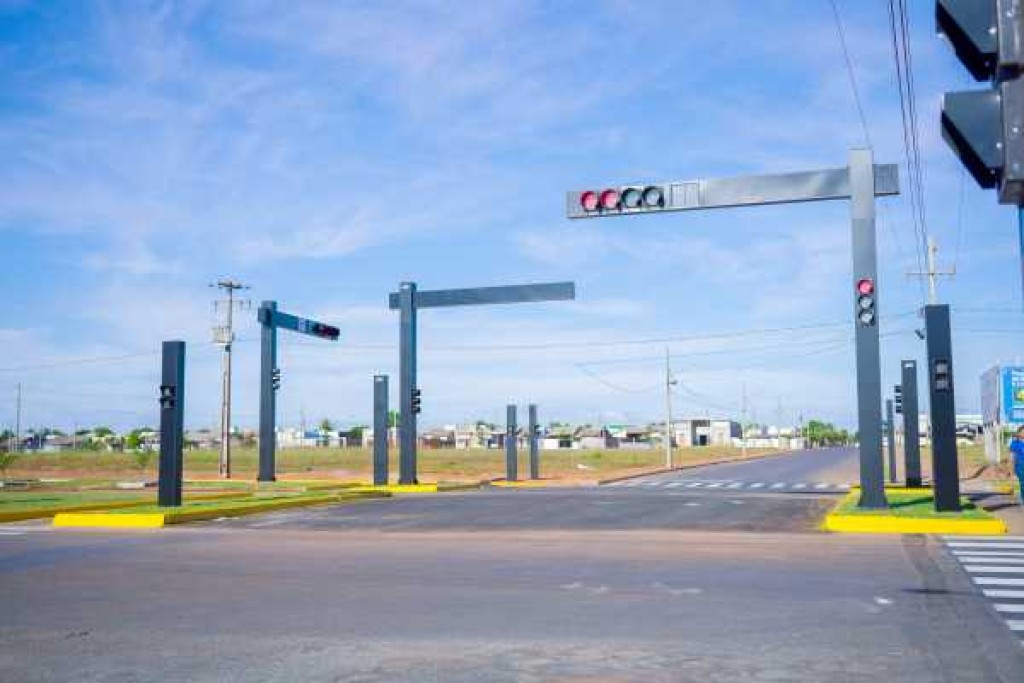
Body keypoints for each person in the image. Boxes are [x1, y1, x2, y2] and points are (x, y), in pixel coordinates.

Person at [1011, 426, 1024, 505]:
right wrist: (1011, 471)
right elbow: (1012, 458)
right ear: (1019, 433)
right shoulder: (1015, 443)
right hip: (1020, 466)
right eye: (1022, 432)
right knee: (1023, 484)